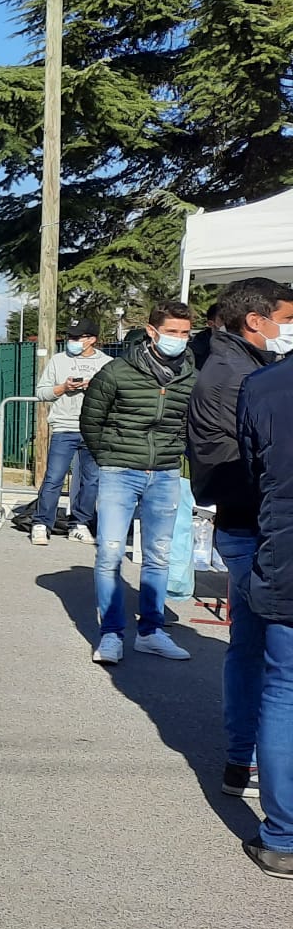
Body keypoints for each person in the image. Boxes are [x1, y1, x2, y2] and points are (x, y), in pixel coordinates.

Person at [188, 278, 293, 800]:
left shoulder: (239, 366)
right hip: (254, 526)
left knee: (254, 652)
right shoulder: (239, 375)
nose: (288, 329)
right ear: (256, 320)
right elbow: (258, 463)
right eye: (287, 318)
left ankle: (243, 759)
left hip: (249, 523)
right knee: (272, 665)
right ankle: (248, 762)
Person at [80, 301, 199, 665]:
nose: (179, 338)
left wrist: (174, 453)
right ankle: (111, 633)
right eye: (172, 331)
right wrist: (109, 458)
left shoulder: (191, 376)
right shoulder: (116, 372)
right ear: (151, 331)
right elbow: (91, 420)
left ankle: (151, 631)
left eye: (185, 332)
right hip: (119, 472)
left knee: (159, 555)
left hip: (165, 473)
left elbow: (188, 423)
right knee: (110, 553)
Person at [237, 344, 293, 877]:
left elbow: (253, 469)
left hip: (287, 551)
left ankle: (283, 838)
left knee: (285, 690)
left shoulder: (264, 384)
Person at [30, 320, 111, 545]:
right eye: (70, 337)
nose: (71, 341)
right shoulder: (58, 360)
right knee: (54, 477)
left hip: (94, 429)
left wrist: (94, 387)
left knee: (91, 480)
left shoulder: (107, 363)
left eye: (77, 337)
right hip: (64, 427)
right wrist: (64, 387)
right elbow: (42, 392)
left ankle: (80, 524)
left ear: (92, 339)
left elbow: (115, 395)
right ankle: (41, 523)